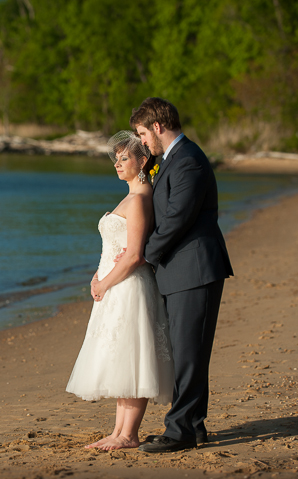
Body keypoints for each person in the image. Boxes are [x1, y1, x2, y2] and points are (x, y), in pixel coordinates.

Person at [127, 97, 234, 453]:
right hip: (180, 271)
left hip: (195, 269)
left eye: (143, 133)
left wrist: (144, 255)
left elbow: (177, 219)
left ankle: (182, 430)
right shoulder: (171, 160)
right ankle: (190, 425)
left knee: (189, 352)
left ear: (157, 127)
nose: (142, 142)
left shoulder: (189, 161)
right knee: (183, 350)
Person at [65, 131, 174, 451]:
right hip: (115, 285)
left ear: (142, 161)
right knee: (121, 357)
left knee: (132, 357)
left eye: (124, 158)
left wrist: (104, 282)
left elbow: (136, 255)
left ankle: (129, 434)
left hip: (128, 287)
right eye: (116, 158)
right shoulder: (130, 196)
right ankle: (119, 431)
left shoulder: (140, 199)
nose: (117, 164)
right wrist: (98, 278)